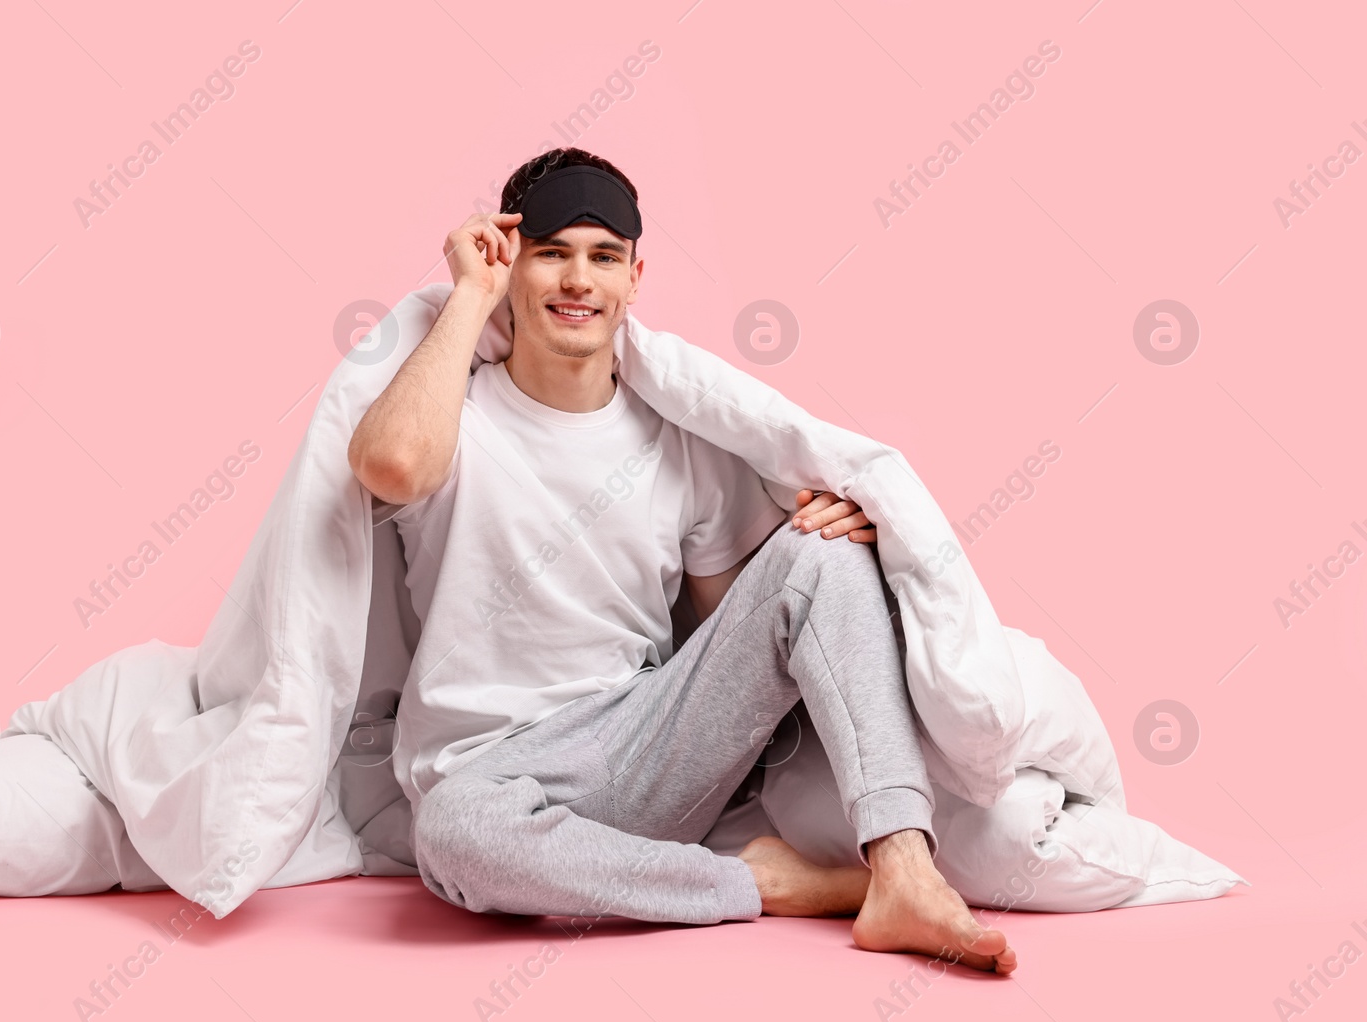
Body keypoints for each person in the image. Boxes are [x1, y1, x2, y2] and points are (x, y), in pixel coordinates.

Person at [348, 148, 1015, 974]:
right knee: (450, 833)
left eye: (602, 257)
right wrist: (470, 292)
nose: (577, 281)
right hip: (487, 775)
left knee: (823, 554)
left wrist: (819, 562)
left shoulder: (675, 443)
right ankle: (759, 883)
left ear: (635, 278)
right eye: (551, 252)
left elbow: (727, 635)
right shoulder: (455, 418)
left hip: (639, 745)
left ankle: (904, 871)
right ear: (511, 262)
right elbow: (389, 466)